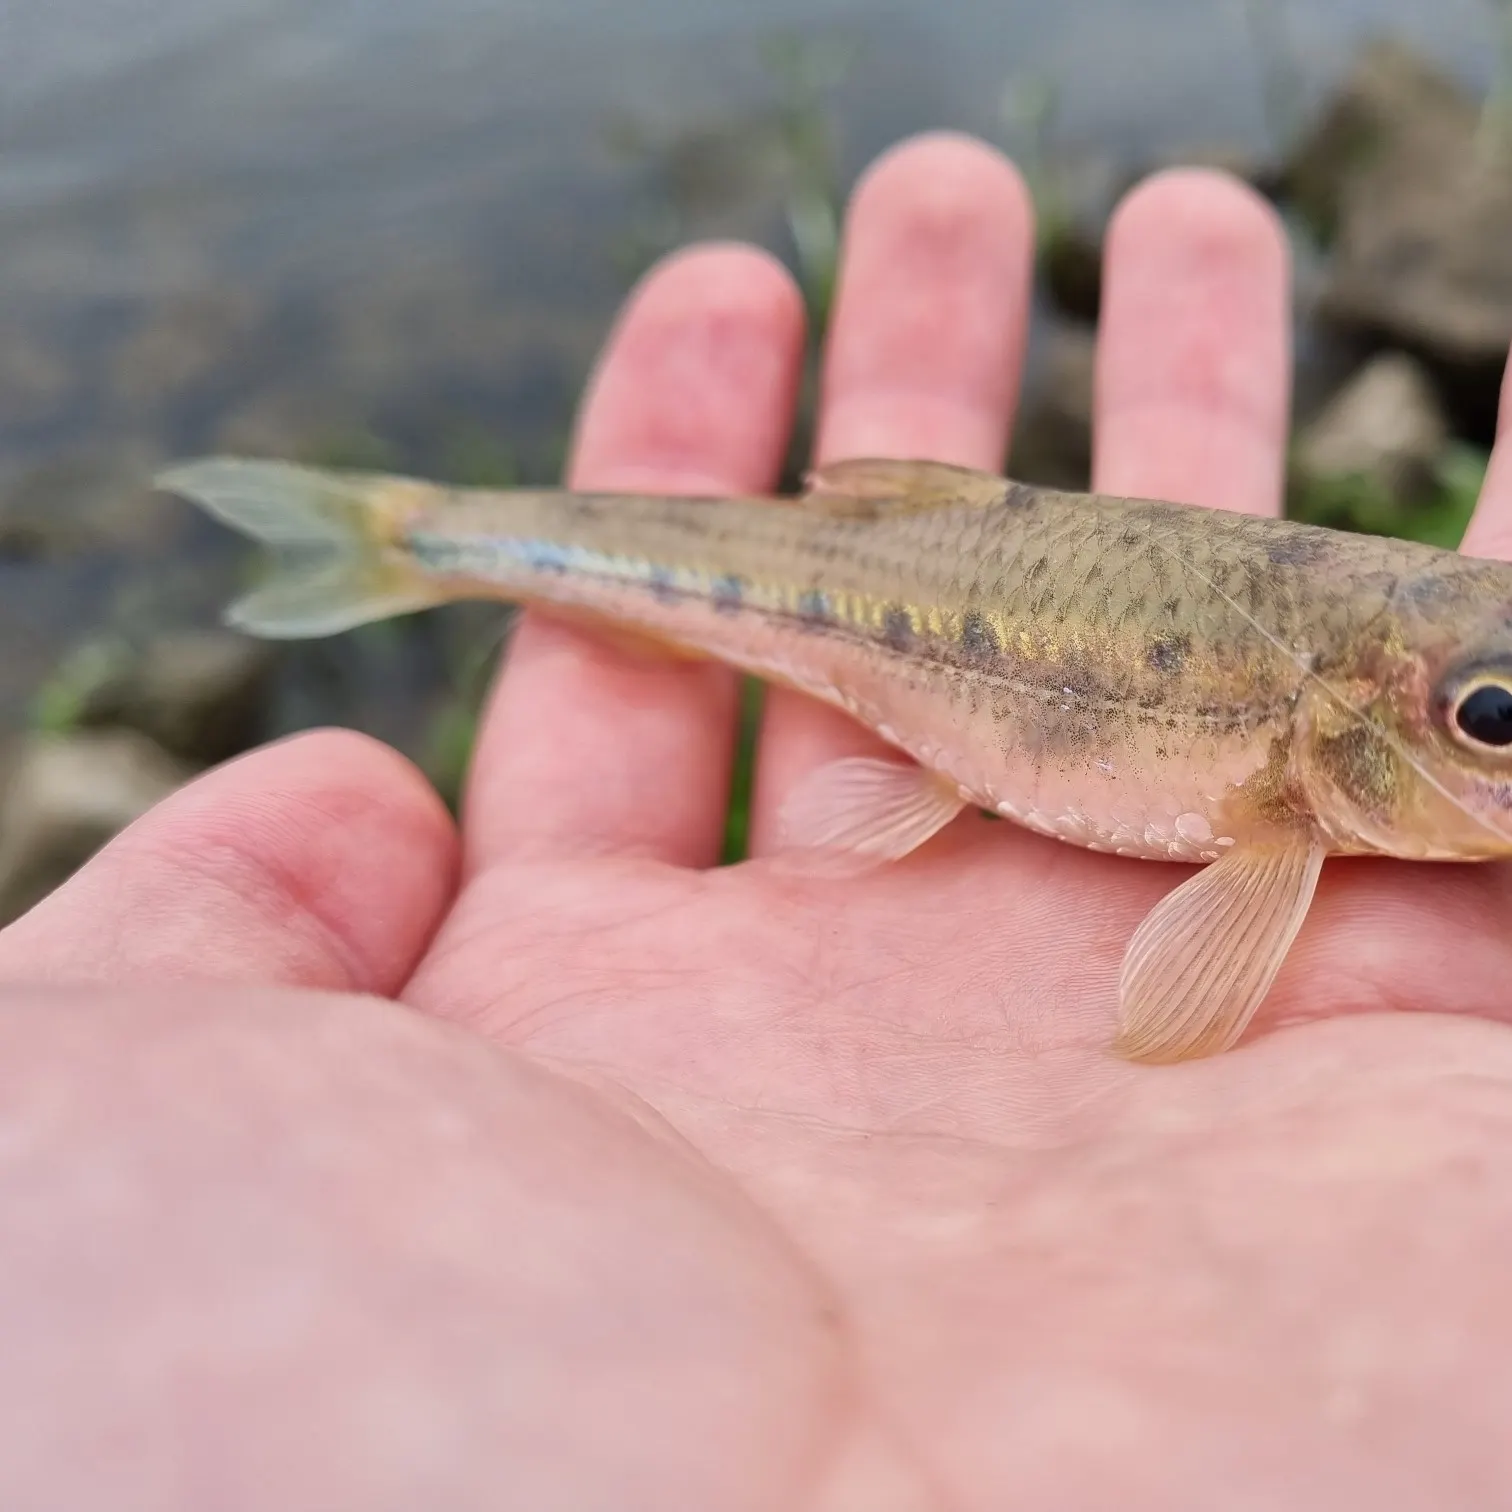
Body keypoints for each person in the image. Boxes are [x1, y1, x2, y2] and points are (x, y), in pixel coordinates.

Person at [1, 131, 1509, 1510]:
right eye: (1492, 721)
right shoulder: (1300, 779)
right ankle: (413, 538)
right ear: (1356, 718)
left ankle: (415, 536)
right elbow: (1191, 995)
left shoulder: (1365, 646)